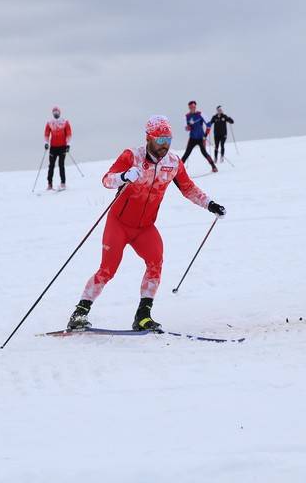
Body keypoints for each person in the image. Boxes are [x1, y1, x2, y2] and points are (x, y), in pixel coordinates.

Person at [67, 115, 227, 331]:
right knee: (107, 270)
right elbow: (107, 179)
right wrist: (124, 176)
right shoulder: (132, 156)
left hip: (145, 227)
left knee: (155, 262)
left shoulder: (173, 163)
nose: (165, 146)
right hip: (119, 223)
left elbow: (188, 188)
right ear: (149, 138)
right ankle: (79, 313)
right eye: (160, 141)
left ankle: (143, 316)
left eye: (168, 140)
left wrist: (210, 204)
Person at [181, 100, 217, 173]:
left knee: (204, 153)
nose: (192, 108)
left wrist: (205, 135)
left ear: (195, 107)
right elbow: (186, 128)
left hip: (201, 138)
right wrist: (188, 127)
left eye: (194, 107)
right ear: (189, 108)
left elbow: (209, 124)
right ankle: (177, 170)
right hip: (192, 138)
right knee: (187, 153)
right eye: (191, 107)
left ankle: (214, 167)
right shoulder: (187, 116)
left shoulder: (200, 114)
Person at [44, 106, 72, 190]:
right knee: (51, 165)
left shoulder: (65, 122)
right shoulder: (50, 122)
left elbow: (69, 133)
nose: (55, 113)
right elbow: (46, 134)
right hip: (53, 147)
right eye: (54, 112)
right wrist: (46, 143)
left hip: (62, 147)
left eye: (57, 112)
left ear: (59, 113)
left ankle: (63, 183)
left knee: (61, 164)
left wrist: (68, 144)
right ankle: (49, 184)